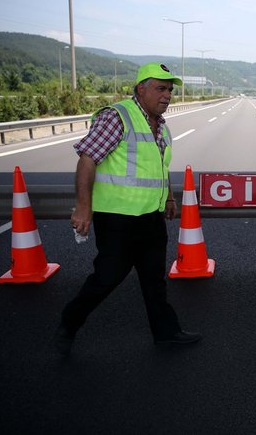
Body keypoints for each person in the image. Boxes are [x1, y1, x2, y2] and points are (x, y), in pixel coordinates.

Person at [55, 62, 201, 355]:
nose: (167, 95)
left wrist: (169, 197)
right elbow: (87, 159)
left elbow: (159, 167)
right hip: (119, 220)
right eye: (160, 88)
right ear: (141, 89)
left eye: (170, 90)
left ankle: (166, 332)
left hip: (150, 218)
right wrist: (83, 207)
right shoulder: (117, 117)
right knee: (106, 279)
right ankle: (69, 323)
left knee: (154, 280)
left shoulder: (160, 125)